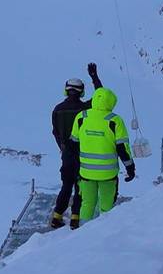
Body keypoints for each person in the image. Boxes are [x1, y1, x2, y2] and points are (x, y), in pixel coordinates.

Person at [69, 87, 135, 224]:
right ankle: (103, 234)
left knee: (87, 204)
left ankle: (82, 235)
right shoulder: (114, 121)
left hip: (86, 173)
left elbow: (73, 145)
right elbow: (123, 148)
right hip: (108, 174)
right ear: (111, 102)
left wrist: (75, 167)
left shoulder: (81, 117)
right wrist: (130, 168)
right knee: (106, 207)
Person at [50, 63, 103, 229]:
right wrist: (94, 77)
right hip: (83, 153)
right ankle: (75, 218)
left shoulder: (57, 110)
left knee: (66, 185)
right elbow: (101, 96)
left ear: (66, 90)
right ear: (81, 91)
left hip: (66, 153)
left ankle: (56, 217)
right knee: (80, 186)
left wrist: (63, 147)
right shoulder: (85, 109)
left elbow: (55, 132)